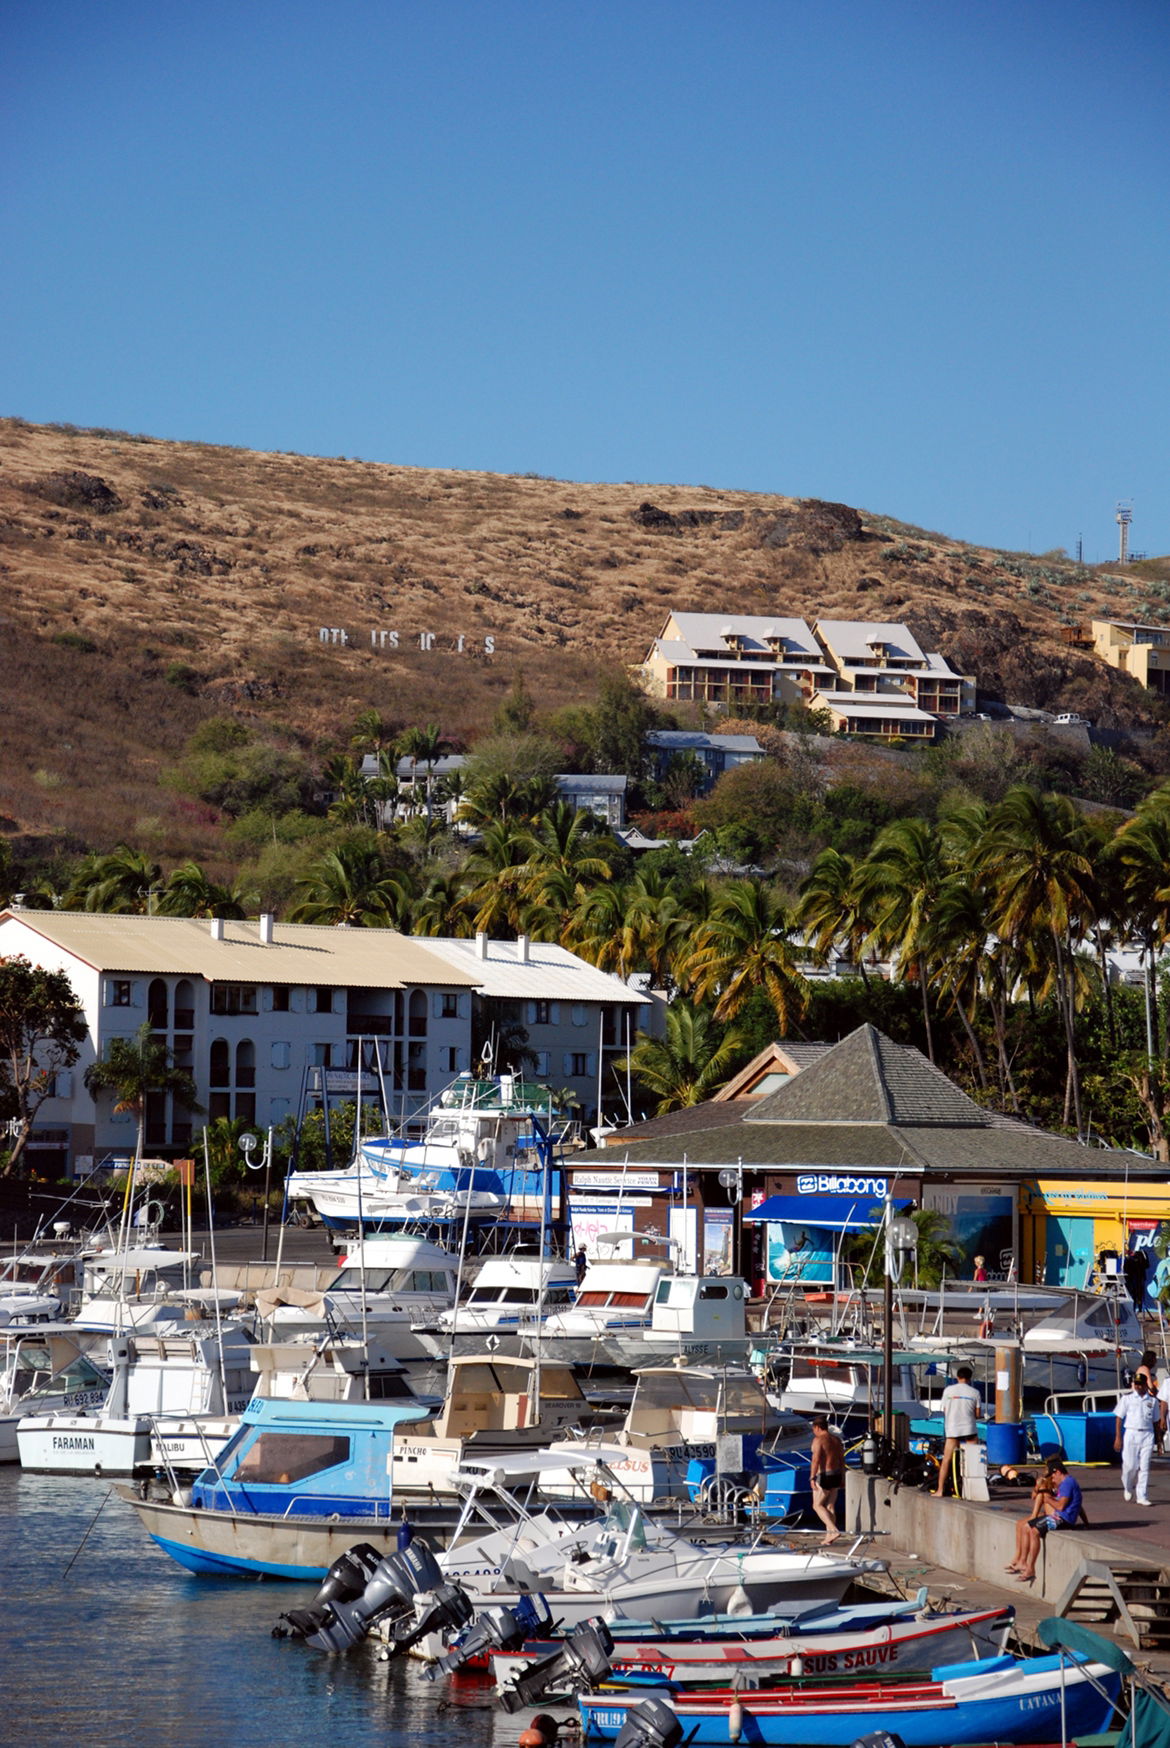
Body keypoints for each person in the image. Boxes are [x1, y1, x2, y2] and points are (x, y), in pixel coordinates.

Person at [1007, 1458, 1085, 1582]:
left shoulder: (1068, 1483)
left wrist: (1046, 1499)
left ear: (1058, 1472)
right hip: (1058, 1516)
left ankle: (1031, 1568)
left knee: (1035, 1531)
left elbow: (1061, 1506)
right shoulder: (1066, 1483)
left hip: (1063, 1519)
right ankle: (1023, 1562)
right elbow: (1077, 1506)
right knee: (1027, 1527)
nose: (1053, 1480)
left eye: (1053, 1477)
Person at [933, 1365, 982, 1498]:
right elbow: (977, 1414)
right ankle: (973, 1491)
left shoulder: (948, 1390)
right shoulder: (975, 1392)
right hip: (969, 1428)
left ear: (957, 1377)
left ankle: (940, 1490)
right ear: (970, 1378)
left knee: (946, 1460)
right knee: (973, 1460)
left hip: (953, 1429)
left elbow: (944, 1409)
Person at [1115, 1372, 1160, 1505]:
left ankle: (1142, 1496)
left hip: (1147, 1434)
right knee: (1130, 1466)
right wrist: (1118, 1437)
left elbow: (1156, 1421)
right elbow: (1118, 1418)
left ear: (1146, 1385)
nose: (1138, 1386)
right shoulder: (1127, 1399)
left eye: (1141, 1384)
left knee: (1144, 1466)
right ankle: (1128, 1486)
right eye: (1136, 1384)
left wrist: (1159, 1440)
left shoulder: (1152, 1401)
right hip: (1131, 1433)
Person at [809, 1415, 847, 1545]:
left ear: (817, 1427)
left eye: (813, 1429)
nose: (813, 1431)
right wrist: (842, 1477)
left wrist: (812, 1477)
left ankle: (833, 1530)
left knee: (817, 1505)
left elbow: (816, 1460)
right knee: (830, 1505)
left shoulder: (818, 1440)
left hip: (824, 1475)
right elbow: (842, 1460)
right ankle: (829, 1537)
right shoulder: (837, 1440)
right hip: (836, 1474)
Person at [1125, 1246, 1151, 1313]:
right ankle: (1133, 1309)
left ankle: (1138, 1308)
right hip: (1131, 1280)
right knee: (1133, 1295)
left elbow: (1147, 1264)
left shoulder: (1141, 1254)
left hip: (1138, 1279)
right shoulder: (1127, 1259)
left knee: (1138, 1295)